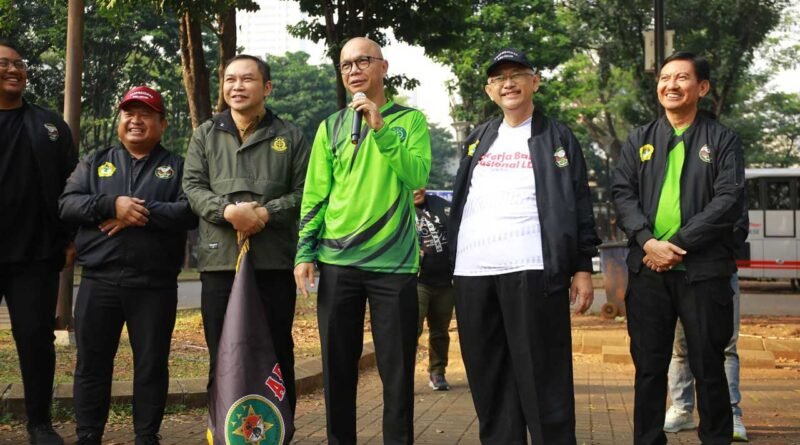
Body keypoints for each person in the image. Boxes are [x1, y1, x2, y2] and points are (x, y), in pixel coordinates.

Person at [449, 48, 600, 445]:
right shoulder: (479, 137)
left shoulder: (558, 136)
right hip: (473, 272)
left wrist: (582, 267)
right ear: (489, 90)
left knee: (542, 379)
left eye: (517, 74)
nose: (508, 83)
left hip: (532, 269)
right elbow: (462, 197)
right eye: (499, 78)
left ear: (535, 82)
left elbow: (579, 203)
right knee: (488, 378)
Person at [294, 37, 431, 444]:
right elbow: (316, 193)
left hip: (395, 265)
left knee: (397, 370)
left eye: (362, 61)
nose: (353, 70)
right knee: (337, 368)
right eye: (345, 65)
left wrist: (379, 127)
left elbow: (417, 177)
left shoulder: (411, 122)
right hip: (338, 263)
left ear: (383, 66)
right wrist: (305, 251)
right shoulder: (329, 127)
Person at [612, 51, 745, 445]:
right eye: (665, 77)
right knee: (649, 367)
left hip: (703, 272)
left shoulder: (722, 140)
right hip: (648, 271)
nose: (671, 85)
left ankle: (717, 437)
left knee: (708, 365)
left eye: (682, 78)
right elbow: (623, 193)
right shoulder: (640, 139)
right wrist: (647, 240)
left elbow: (729, 199)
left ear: (701, 88)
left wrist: (678, 243)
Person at [58, 86, 197, 445]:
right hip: (98, 282)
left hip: (154, 285)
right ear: (120, 120)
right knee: (91, 363)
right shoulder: (95, 161)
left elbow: (189, 211)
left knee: (151, 364)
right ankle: (88, 433)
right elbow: (68, 205)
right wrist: (110, 204)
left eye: (146, 114)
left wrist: (138, 212)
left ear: (162, 123)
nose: (136, 120)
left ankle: (146, 435)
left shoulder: (178, 166)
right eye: (129, 113)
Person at [182, 54, 310, 416]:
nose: (237, 87)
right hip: (220, 263)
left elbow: (306, 193)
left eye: (247, 79)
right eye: (230, 80)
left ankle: (278, 432)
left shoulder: (291, 136)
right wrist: (229, 212)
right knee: (222, 354)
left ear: (266, 87)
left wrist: (265, 213)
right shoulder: (206, 134)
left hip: (271, 264)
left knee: (276, 352)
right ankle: (223, 432)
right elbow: (192, 187)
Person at [0, 39, 77, 445]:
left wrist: (69, 239)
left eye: (19, 64)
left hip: (36, 254)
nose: (15, 70)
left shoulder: (48, 125)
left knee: (35, 340)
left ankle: (39, 422)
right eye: (4, 64)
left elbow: (72, 186)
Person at [665, 209, 750, 442]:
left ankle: (731, 412)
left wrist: (698, 248)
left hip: (718, 272)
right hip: (679, 272)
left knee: (724, 347)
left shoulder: (728, 183)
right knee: (680, 347)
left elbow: (738, 228)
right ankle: (682, 408)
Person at [413, 188, 455, 391]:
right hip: (418, 281)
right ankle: (403, 375)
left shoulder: (441, 205)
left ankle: (437, 372)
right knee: (412, 329)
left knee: (440, 331)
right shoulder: (399, 208)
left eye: (419, 186)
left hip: (445, 281)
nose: (416, 191)